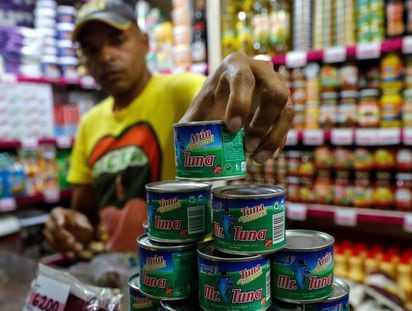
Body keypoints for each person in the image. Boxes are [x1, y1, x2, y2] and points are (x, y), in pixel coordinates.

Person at [43, 0, 294, 257]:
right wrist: (67, 223)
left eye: (117, 41)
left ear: (145, 42)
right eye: (91, 49)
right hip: (119, 275)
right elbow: (84, 213)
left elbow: (219, 95)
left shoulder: (181, 90)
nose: (105, 57)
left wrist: (249, 80)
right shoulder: (89, 122)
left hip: (191, 267)